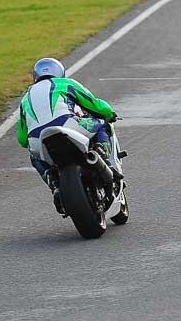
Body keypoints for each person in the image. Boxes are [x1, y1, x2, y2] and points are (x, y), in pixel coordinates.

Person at [16, 58, 118, 214]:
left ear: (35, 77)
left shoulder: (25, 98)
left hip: (37, 138)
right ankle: (101, 152)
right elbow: (95, 105)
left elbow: (22, 139)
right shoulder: (66, 83)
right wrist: (110, 113)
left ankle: (54, 184)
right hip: (68, 125)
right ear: (60, 72)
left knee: (34, 155)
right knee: (101, 122)